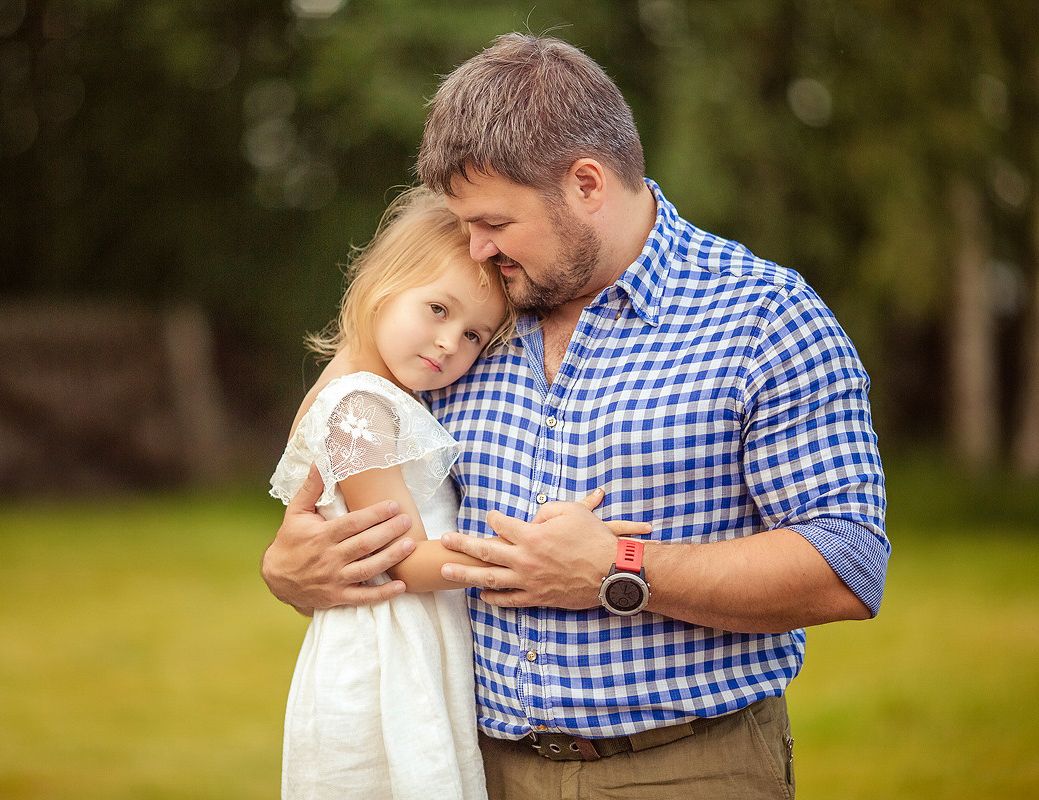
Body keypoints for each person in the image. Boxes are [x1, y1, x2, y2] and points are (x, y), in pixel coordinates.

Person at [263, 34, 889, 799]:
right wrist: (292, 569)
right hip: (474, 766)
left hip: (686, 769)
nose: (476, 247)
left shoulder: (764, 317)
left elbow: (849, 565)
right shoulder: (472, 317)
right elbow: (356, 437)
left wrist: (619, 571)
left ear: (587, 184)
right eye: (464, 224)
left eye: (493, 222)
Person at [270, 186, 521, 800]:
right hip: (383, 661)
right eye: (438, 310)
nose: (449, 344)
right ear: (383, 284)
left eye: (474, 337)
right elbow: (401, 556)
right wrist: (522, 555)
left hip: (404, 641)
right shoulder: (358, 406)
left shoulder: (364, 391)